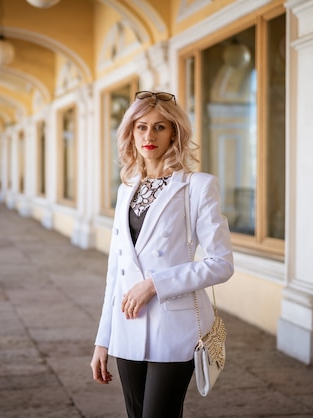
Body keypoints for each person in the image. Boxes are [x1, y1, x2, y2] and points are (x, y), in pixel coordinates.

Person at [89, 91, 234, 418]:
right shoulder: (126, 189)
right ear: (130, 133)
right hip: (127, 328)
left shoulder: (198, 186)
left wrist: (155, 284)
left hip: (174, 327)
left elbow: (222, 264)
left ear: (174, 133)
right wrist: (103, 341)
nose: (148, 136)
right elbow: (116, 272)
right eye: (141, 127)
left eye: (159, 127)